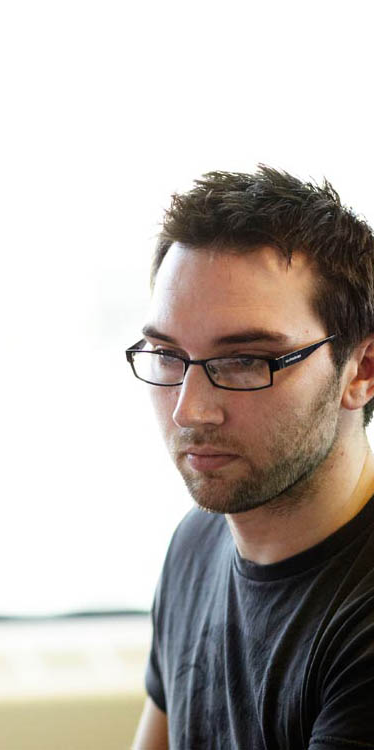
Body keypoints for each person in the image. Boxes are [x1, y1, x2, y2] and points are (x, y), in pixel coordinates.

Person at [128, 166, 374, 749]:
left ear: (361, 371)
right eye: (166, 355)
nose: (190, 411)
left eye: (245, 361)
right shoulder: (198, 542)